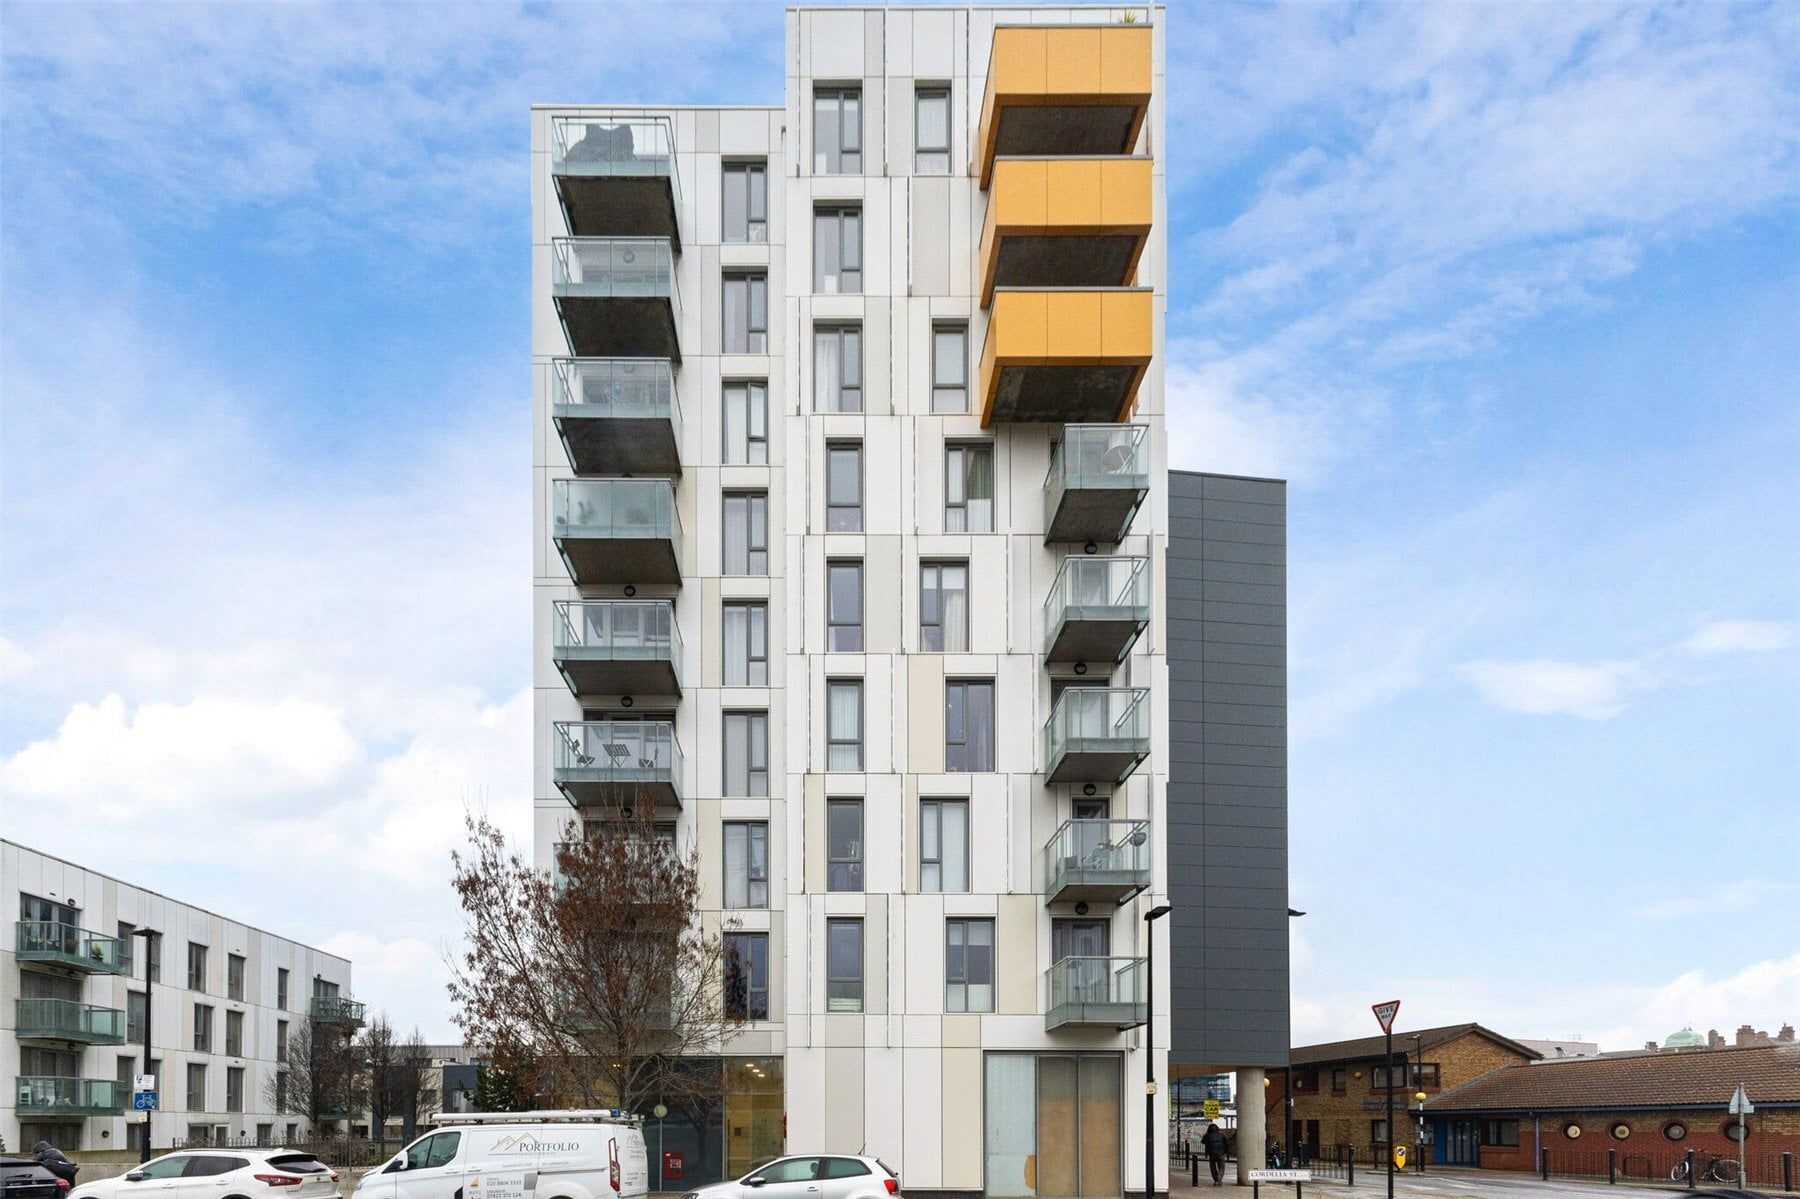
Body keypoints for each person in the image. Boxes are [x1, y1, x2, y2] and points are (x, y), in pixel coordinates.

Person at [1201, 1122, 1228, 1186]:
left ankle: (1216, 1180)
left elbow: (1203, 1142)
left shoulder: (1207, 1135)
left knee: (1213, 1167)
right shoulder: (1222, 1135)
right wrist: (1226, 1152)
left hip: (1211, 1153)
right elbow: (1227, 1143)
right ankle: (1220, 1175)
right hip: (1221, 1153)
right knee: (1221, 1166)